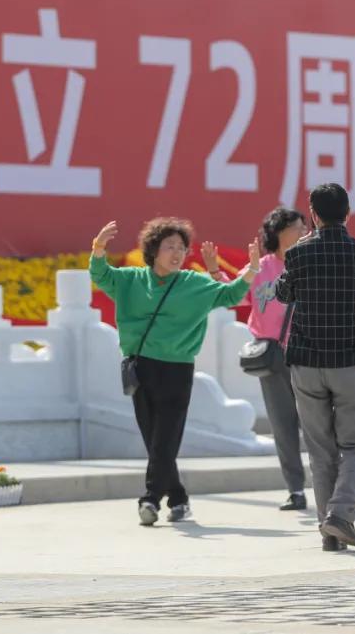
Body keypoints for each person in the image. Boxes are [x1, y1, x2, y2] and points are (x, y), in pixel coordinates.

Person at [90, 217, 260, 527]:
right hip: (140, 367)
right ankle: (178, 498)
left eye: (181, 248)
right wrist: (99, 247)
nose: (177, 253)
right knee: (154, 438)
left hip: (177, 370)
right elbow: (100, 274)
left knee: (165, 437)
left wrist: (250, 270)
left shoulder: (193, 284)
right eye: (169, 246)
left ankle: (150, 499)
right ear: (153, 250)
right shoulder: (129, 280)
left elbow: (231, 296)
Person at [274, 184, 355, 552]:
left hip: (305, 362)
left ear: (313, 215)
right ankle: (339, 515)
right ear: (348, 213)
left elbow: (283, 294)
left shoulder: (299, 253)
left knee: (320, 450)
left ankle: (330, 534)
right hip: (350, 362)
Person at [202, 207, 309, 512]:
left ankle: (330, 484)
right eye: (297, 227)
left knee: (316, 423)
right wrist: (213, 271)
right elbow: (234, 295)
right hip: (273, 357)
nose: (303, 232)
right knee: (282, 424)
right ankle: (296, 489)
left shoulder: (312, 265)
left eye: (304, 227)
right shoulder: (260, 268)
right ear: (278, 232)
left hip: (309, 355)